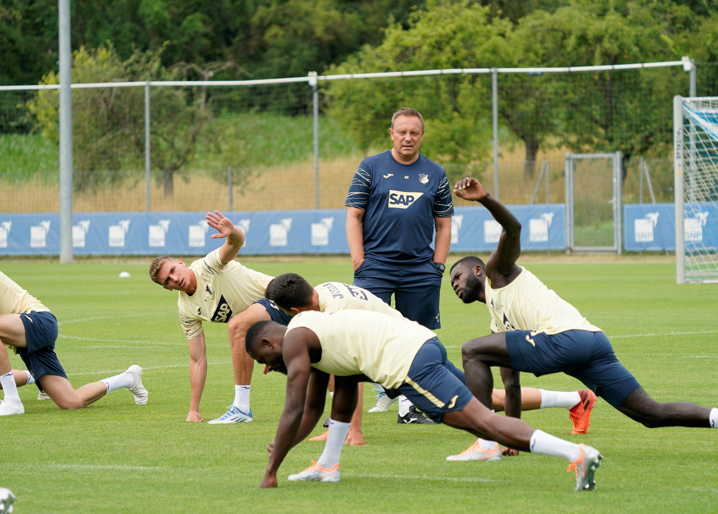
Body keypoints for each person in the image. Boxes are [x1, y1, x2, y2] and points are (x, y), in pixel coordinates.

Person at [447, 176, 718, 462]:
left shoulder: (497, 272)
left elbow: (513, 228)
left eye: (458, 276)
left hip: (565, 339)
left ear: (478, 270)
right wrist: (511, 438)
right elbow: (511, 387)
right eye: (451, 284)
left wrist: (485, 199)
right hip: (591, 342)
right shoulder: (497, 325)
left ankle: (485, 443)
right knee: (650, 413)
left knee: (470, 350)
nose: (455, 285)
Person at [246, 311, 603, 491]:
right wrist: (286, 444)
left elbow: (294, 406)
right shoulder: (313, 334)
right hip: (421, 342)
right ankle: (328, 466)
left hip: (409, 360)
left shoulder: (295, 341)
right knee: (485, 415)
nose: (267, 368)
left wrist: (271, 470)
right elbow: (323, 406)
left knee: (483, 424)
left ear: (268, 343)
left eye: (264, 360)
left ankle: (577, 454)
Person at [266, 272, 597, 458]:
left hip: (403, 355)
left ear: (294, 311)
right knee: (487, 398)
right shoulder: (324, 290)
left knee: (481, 414)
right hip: (412, 344)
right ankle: (575, 399)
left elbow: (347, 369)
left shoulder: (329, 314)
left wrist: (354, 430)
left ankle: (560, 448)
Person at [345, 107, 453, 424]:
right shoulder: (371, 167)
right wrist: (359, 261)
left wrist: (437, 266)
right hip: (375, 267)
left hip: (420, 270)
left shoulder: (435, 173)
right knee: (362, 336)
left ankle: (408, 408)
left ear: (422, 135)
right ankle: (347, 410)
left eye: (414, 133)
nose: (408, 138)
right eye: (402, 132)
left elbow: (444, 224)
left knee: (415, 340)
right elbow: (353, 216)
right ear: (391, 134)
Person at [149, 210, 292, 424]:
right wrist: (193, 410)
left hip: (283, 298)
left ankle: (241, 408)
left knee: (238, 326)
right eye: (167, 281)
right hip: (266, 322)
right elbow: (197, 359)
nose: (174, 278)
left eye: (172, 270)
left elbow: (236, 242)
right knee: (318, 358)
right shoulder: (186, 310)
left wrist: (232, 231)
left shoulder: (207, 266)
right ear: (167, 288)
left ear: (180, 263)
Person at [0, 258, 147, 416]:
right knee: (70, 402)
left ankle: (12, 401)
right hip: (25, 342)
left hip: (39, 320)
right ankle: (128, 378)